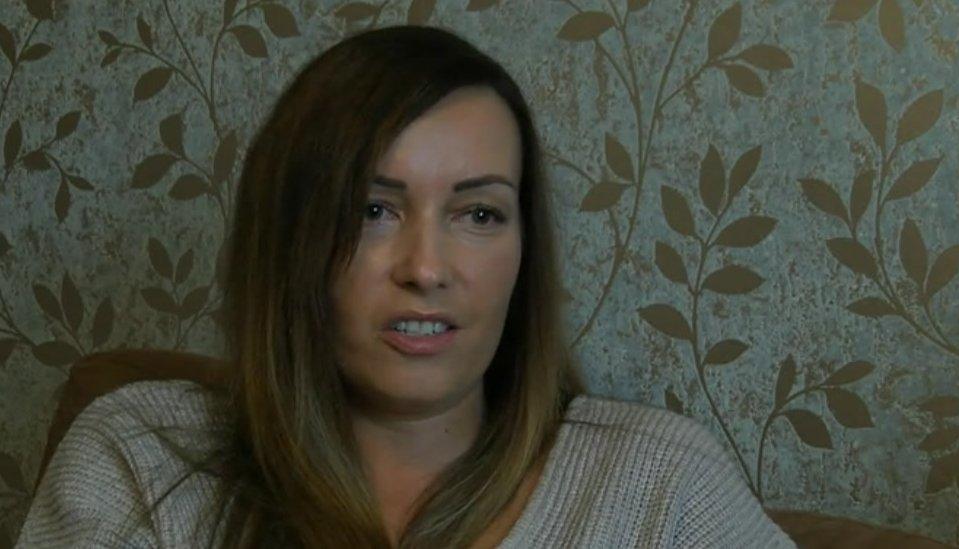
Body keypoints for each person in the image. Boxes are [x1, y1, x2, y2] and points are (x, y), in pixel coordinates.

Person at [16, 25, 795, 548]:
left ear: (525, 252)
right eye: (374, 209)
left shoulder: (663, 491)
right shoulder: (137, 459)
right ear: (290, 238)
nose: (426, 267)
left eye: (480, 212)